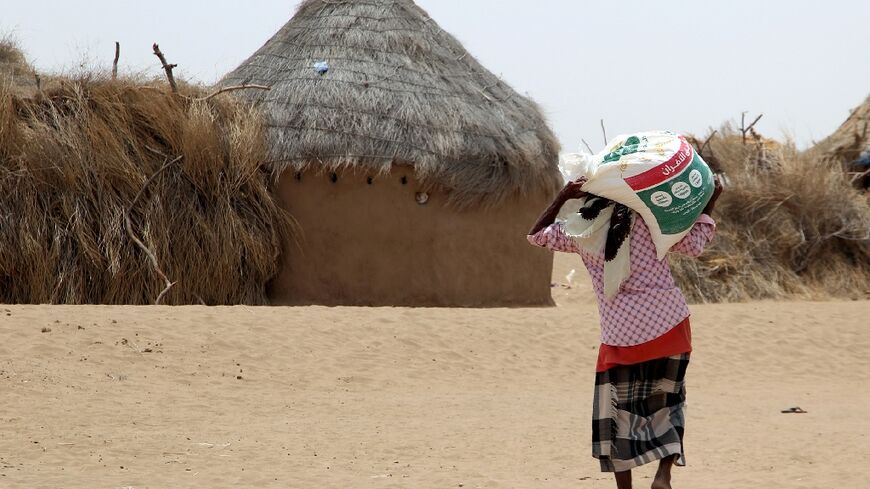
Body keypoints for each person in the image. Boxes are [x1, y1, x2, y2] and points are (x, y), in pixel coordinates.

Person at [527, 175, 723, 489]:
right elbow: (695, 243)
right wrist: (710, 200)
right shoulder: (654, 219)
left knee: (618, 414)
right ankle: (663, 475)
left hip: (621, 334)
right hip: (669, 326)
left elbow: (537, 234)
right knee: (669, 402)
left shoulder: (582, 230)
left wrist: (563, 195)